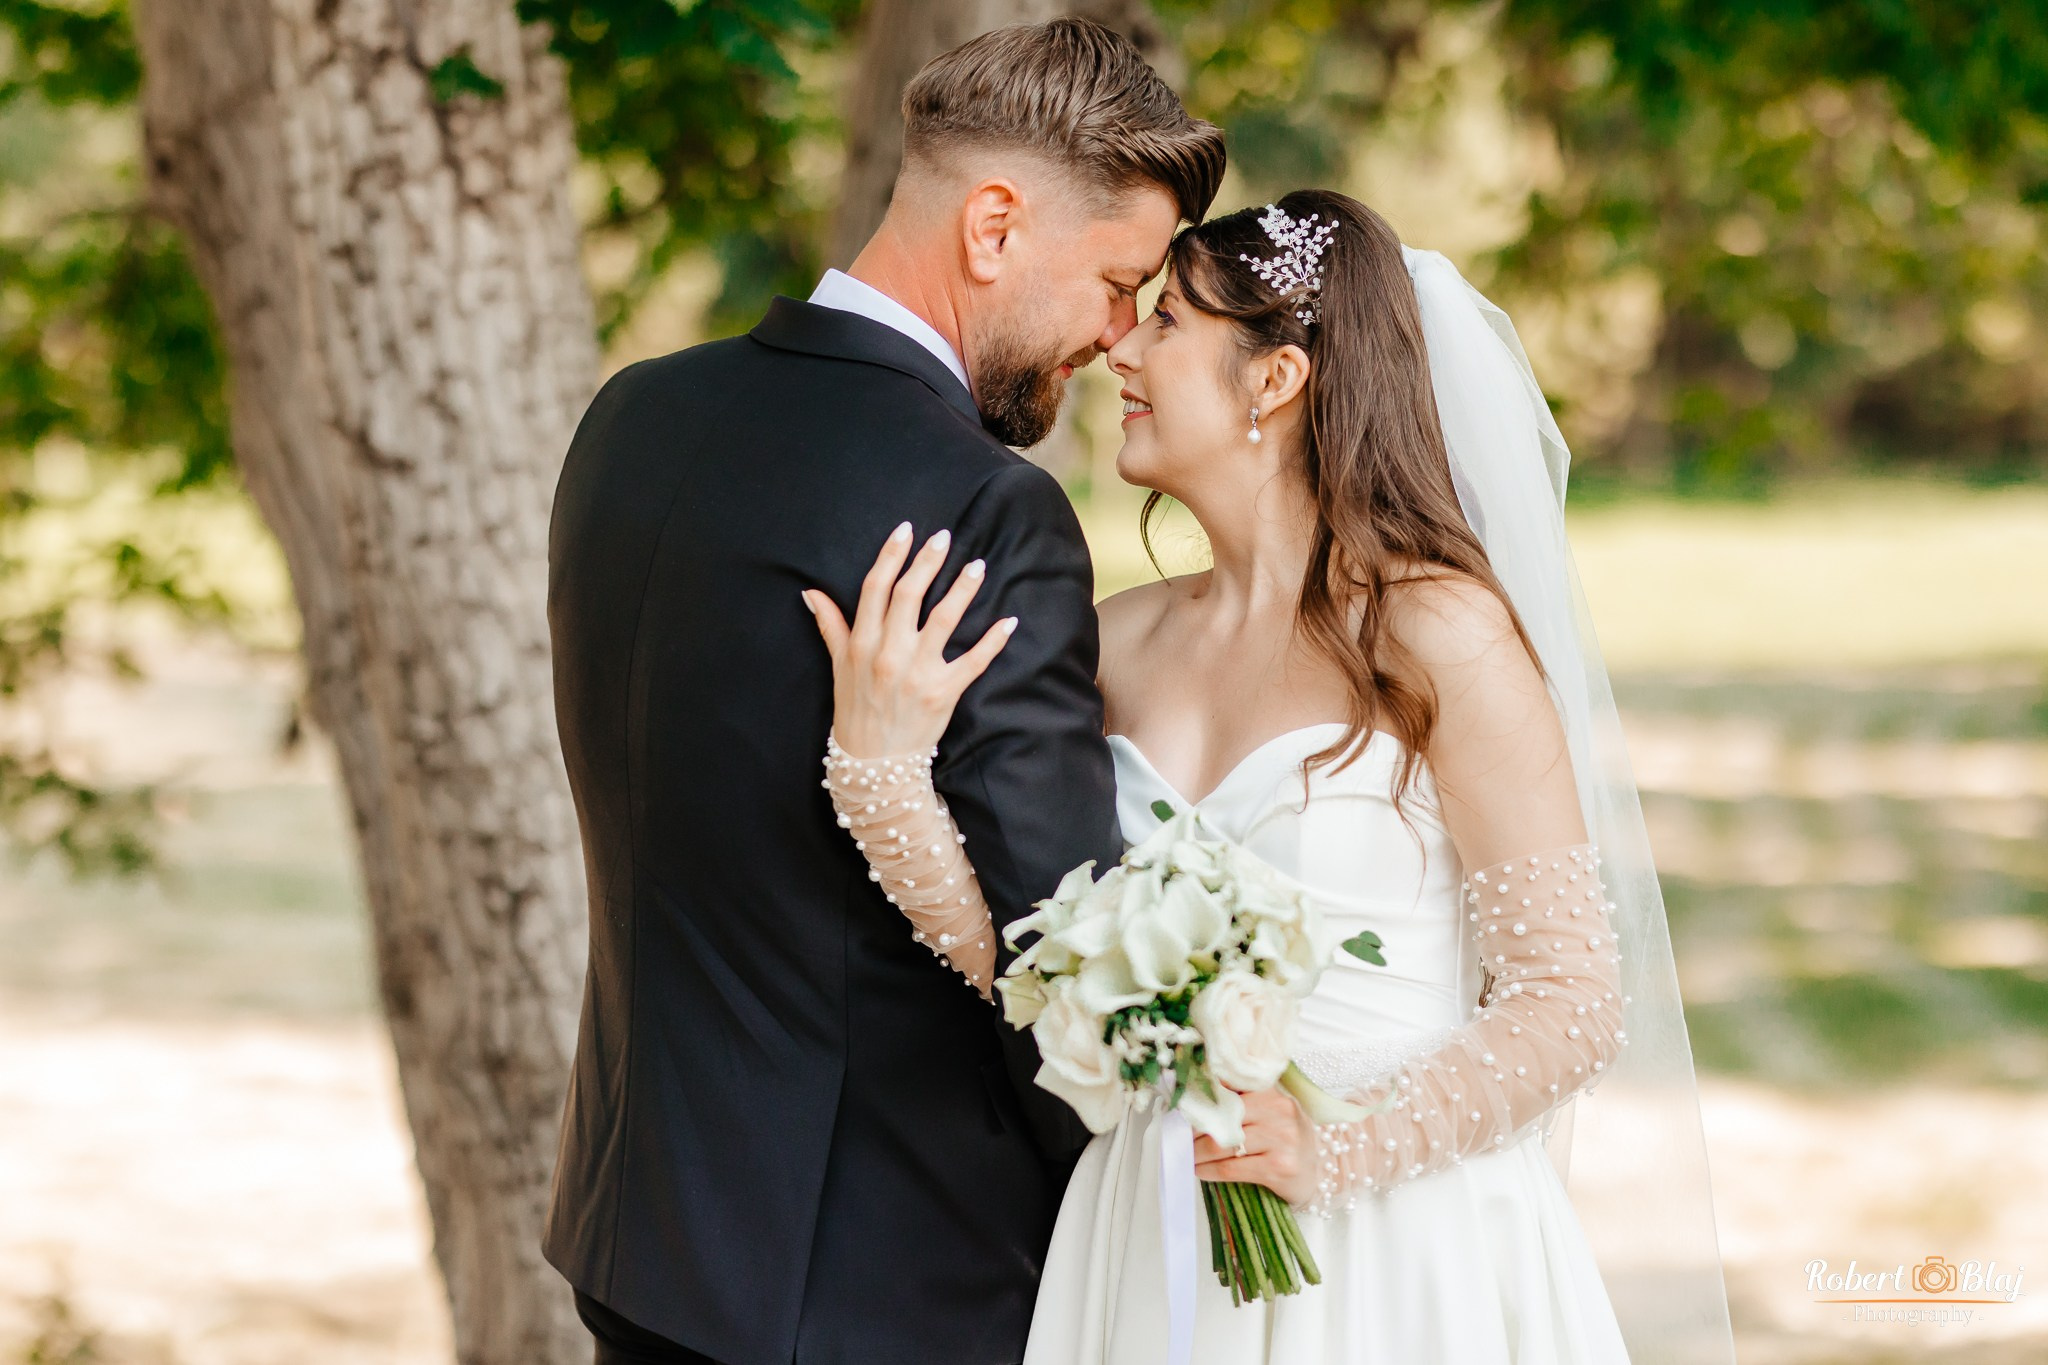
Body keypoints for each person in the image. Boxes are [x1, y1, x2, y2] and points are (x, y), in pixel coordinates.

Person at [804, 190, 1737, 1362]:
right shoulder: (1113, 641)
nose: (1119, 349)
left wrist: (1334, 1151)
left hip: (1389, 1249)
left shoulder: (1433, 634)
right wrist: (878, 769)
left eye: (1168, 324)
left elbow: (1568, 1000)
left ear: (1274, 380)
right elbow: (1035, 957)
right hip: (1146, 1238)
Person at [542, 18, 1225, 1365]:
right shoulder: (980, 509)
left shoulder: (633, 417)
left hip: (642, 1235)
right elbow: (1062, 947)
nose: (1115, 334)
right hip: (883, 1284)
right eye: (1114, 281)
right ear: (993, 227)